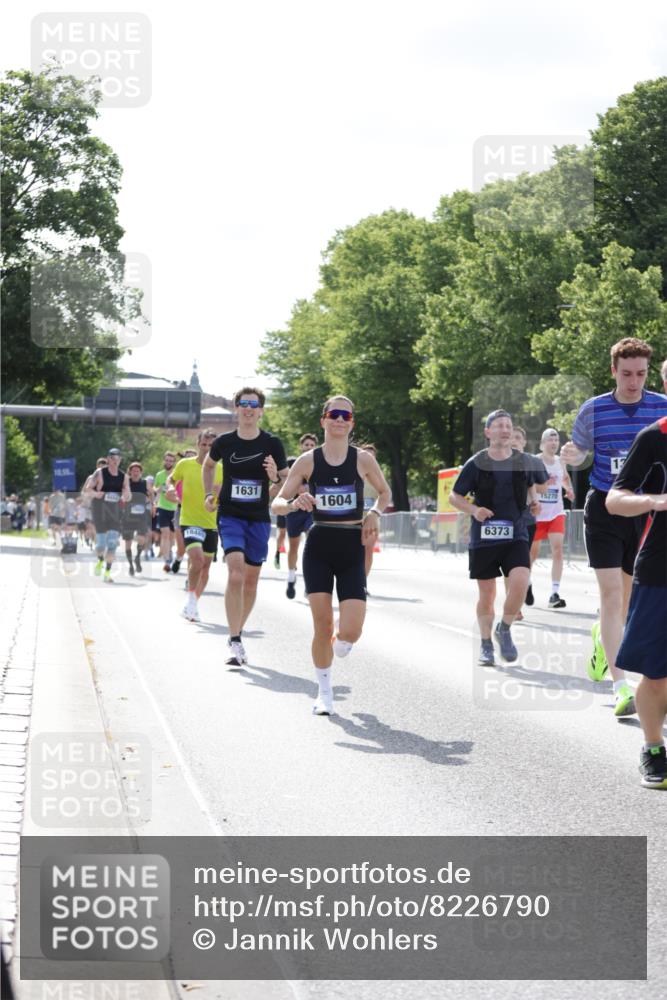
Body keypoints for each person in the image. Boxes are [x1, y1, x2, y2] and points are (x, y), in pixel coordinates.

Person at [561, 337, 667, 717]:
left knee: (626, 601)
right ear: (613, 371)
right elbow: (580, 452)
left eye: (640, 374)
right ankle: (621, 687)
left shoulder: (662, 407)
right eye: (626, 374)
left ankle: (601, 638)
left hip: (646, 511)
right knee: (611, 596)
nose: (634, 382)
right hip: (605, 507)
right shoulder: (594, 410)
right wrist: (574, 454)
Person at [272, 396, 390, 715]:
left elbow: (384, 493)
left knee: (350, 633)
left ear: (351, 423)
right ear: (323, 420)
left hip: (352, 546)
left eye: (345, 415)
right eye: (334, 414)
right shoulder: (307, 461)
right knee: (322, 626)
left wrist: (374, 513)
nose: (339, 419)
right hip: (320, 546)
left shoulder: (363, 459)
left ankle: (341, 638)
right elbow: (277, 503)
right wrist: (293, 504)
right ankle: (324, 693)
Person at [449, 410, 547, 667]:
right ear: (488, 432)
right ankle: (485, 644)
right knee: (488, 594)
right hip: (484, 536)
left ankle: (504, 627)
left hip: (516, 532)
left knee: (521, 580)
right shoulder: (476, 463)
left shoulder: (523, 461)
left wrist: (534, 501)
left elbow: (531, 484)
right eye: (499, 425)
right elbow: (454, 496)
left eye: (508, 425)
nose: (505, 430)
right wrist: (474, 510)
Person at [203, 387, 288, 666]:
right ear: (236, 408)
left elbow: (287, 481)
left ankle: (237, 631)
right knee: (236, 574)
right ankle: (235, 639)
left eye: (254, 404)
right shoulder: (224, 442)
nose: (249, 408)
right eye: (244, 403)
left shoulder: (272, 443)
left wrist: (275, 479)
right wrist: (208, 494)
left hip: (259, 518)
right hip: (230, 515)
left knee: (251, 581)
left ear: (261, 411)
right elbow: (208, 466)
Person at [606, 416, 667, 788]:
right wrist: (655, 500)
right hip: (661, 570)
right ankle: (653, 747)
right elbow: (615, 500)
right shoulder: (654, 438)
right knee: (657, 676)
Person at [168, 429, 222, 622]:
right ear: (198, 444)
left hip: (211, 523)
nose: (207, 449)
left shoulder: (221, 469)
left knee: (205, 568)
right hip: (189, 520)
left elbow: (224, 495)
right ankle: (191, 598)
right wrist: (170, 488)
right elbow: (172, 479)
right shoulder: (185, 464)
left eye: (211, 446)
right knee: (197, 560)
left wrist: (219, 496)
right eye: (204, 444)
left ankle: (192, 604)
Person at [530, 428, 575, 608]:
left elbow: (565, 478)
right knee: (532, 553)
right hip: (537, 514)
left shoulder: (560, 461)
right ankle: (526, 583)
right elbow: (527, 484)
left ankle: (554, 593)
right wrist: (539, 489)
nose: (554, 443)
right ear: (542, 444)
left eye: (556, 440)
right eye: (550, 439)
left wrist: (569, 489)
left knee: (558, 550)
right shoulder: (535, 461)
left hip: (556, 512)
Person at [85, 448, 131, 582]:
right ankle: (100, 560)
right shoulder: (99, 473)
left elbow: (128, 495)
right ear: (108, 459)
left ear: (120, 460)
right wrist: (96, 494)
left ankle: (107, 572)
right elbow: (88, 489)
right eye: (113, 458)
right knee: (101, 546)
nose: (115, 461)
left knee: (112, 544)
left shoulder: (124, 477)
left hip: (115, 513)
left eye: (118, 459)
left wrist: (125, 496)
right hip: (99, 511)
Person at [284, 433, 319, 599]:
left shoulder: (319, 465)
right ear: (301, 446)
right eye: (306, 445)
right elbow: (284, 486)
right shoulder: (293, 464)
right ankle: (291, 577)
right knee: (293, 547)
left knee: (311, 543)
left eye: (312, 445)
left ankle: (309, 583)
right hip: (294, 510)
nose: (309, 447)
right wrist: (295, 488)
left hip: (310, 510)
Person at [121, 462, 152, 576]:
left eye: (137, 471)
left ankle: (137, 557)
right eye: (133, 471)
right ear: (130, 472)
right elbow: (121, 495)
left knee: (142, 538)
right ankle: (130, 565)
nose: (135, 473)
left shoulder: (145, 483)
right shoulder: (126, 482)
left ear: (141, 472)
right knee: (128, 542)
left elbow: (152, 493)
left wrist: (151, 501)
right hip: (128, 516)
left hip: (141, 515)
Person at [360, 443, 380, 592]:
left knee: (368, 551)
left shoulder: (378, 477)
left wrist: (375, 511)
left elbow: (384, 495)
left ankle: (362, 583)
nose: (368, 458)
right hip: (351, 521)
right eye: (366, 455)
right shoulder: (352, 473)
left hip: (371, 520)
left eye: (372, 456)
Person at [153, 452, 178, 573]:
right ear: (164, 461)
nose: (168, 462)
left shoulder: (177, 475)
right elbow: (154, 487)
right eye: (167, 460)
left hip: (175, 509)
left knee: (172, 537)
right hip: (162, 507)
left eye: (170, 461)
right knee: (165, 534)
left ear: (174, 463)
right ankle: (167, 560)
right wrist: (157, 489)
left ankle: (170, 551)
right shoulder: (159, 474)